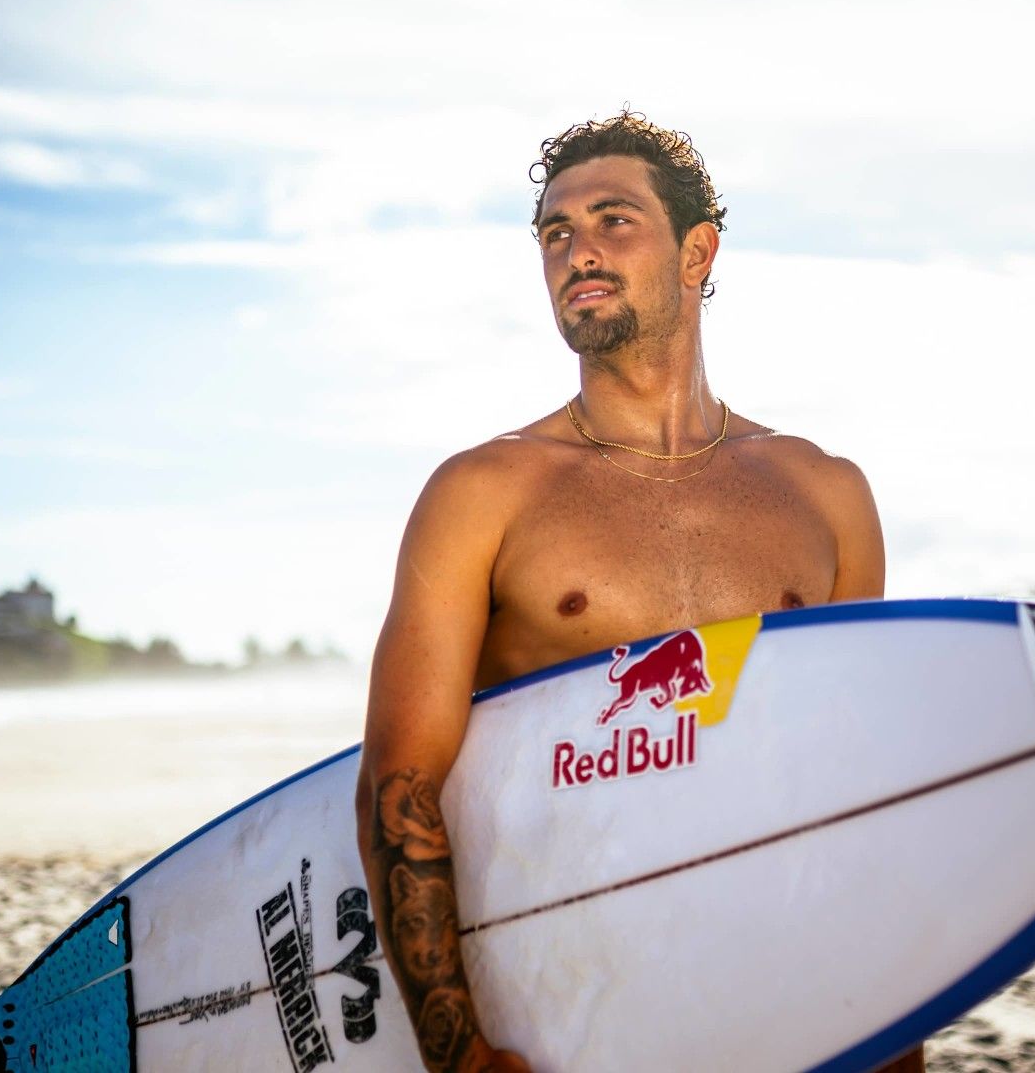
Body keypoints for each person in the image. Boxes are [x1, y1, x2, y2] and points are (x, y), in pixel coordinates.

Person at [355, 111, 914, 1073]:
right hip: (577, 1002)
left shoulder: (826, 495)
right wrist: (458, 1054)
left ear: (697, 252)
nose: (577, 251)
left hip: (775, 984)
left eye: (613, 220)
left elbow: (845, 783)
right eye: (555, 232)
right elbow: (398, 786)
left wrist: (892, 1035)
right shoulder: (483, 493)